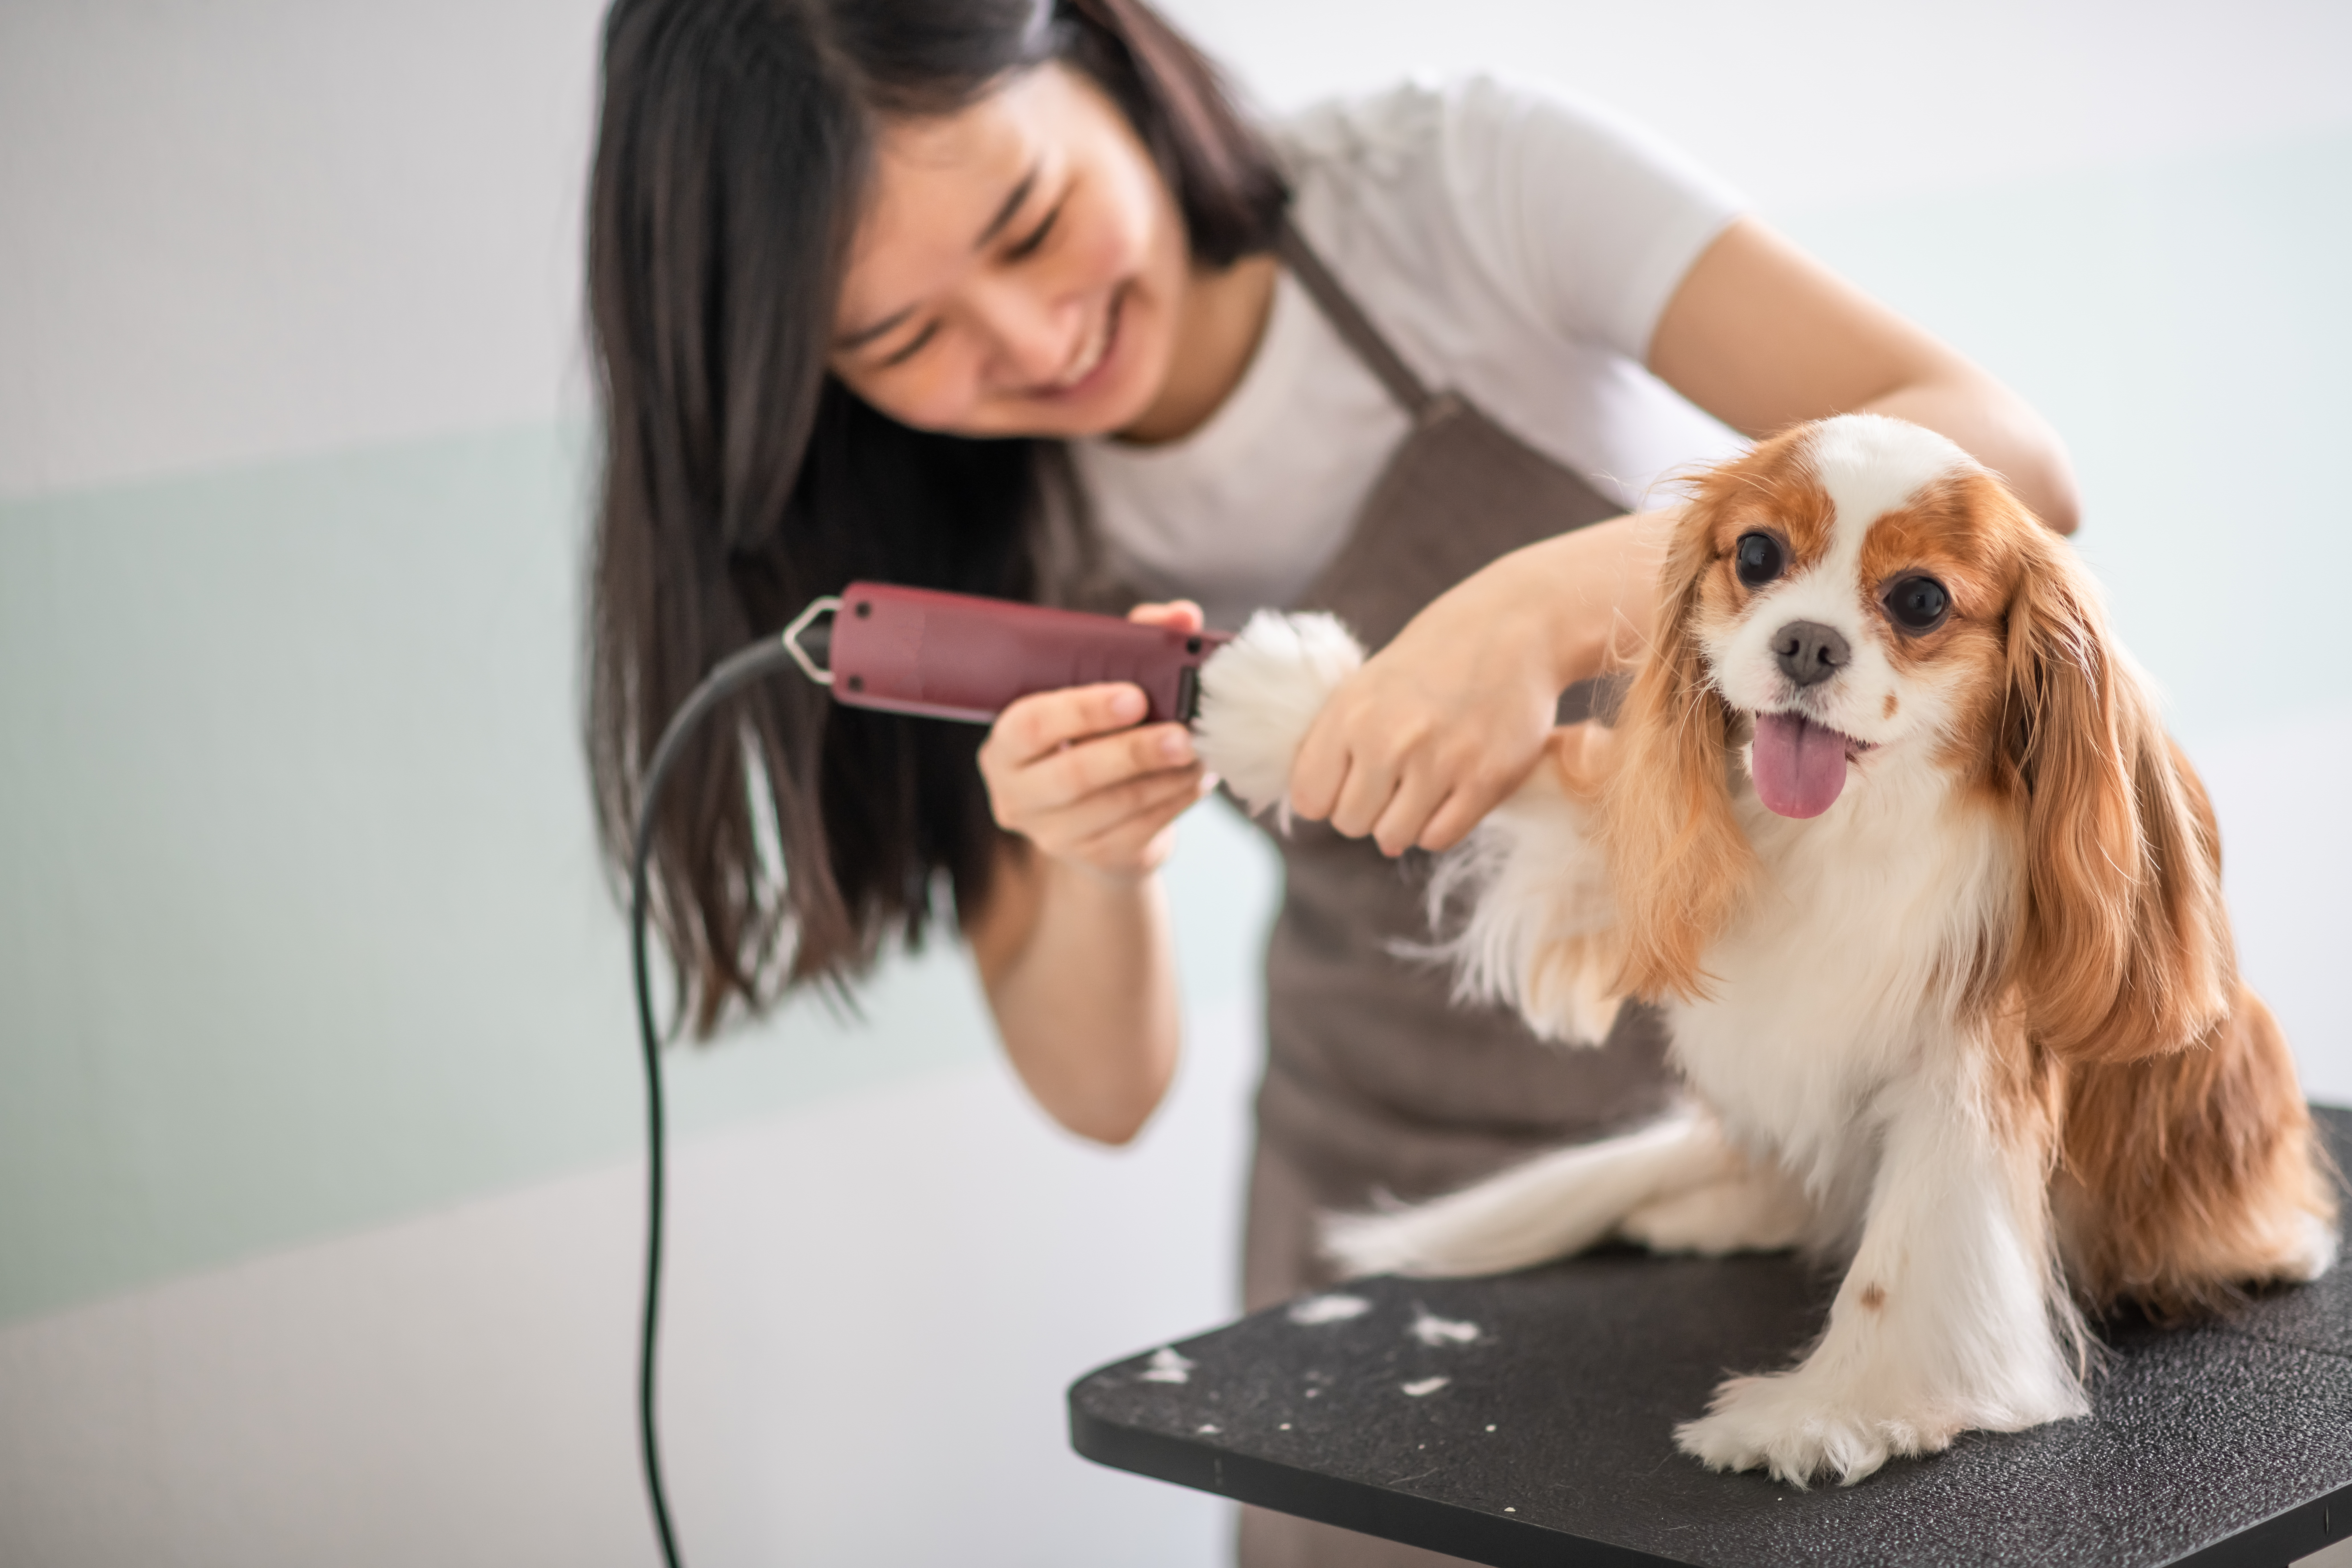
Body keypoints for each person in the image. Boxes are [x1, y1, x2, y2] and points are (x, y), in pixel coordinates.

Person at [582, 1, 2080, 1562]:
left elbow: (2014, 462)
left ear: (1097, 51)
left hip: (1799, 1157)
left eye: (1030, 224)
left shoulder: (1459, 191)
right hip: (1382, 1200)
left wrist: (1550, 605)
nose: (1030, 342)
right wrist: (1098, 856)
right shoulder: (973, 523)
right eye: (901, 341)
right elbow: (1102, 1092)